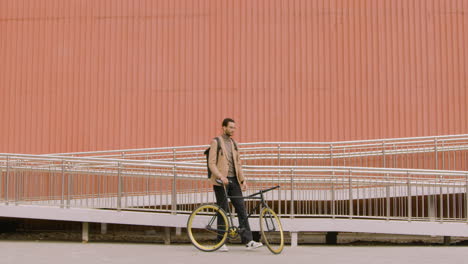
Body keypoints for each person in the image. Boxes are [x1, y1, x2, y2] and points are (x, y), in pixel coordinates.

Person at [208, 118, 263, 252]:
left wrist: (243, 180)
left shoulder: (234, 143)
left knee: (241, 209)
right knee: (223, 210)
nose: (232, 130)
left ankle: (248, 240)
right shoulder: (216, 142)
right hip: (221, 182)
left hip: (234, 181)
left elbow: (238, 163)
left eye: (234, 128)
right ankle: (221, 242)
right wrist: (221, 176)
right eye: (230, 127)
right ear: (224, 127)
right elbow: (211, 163)